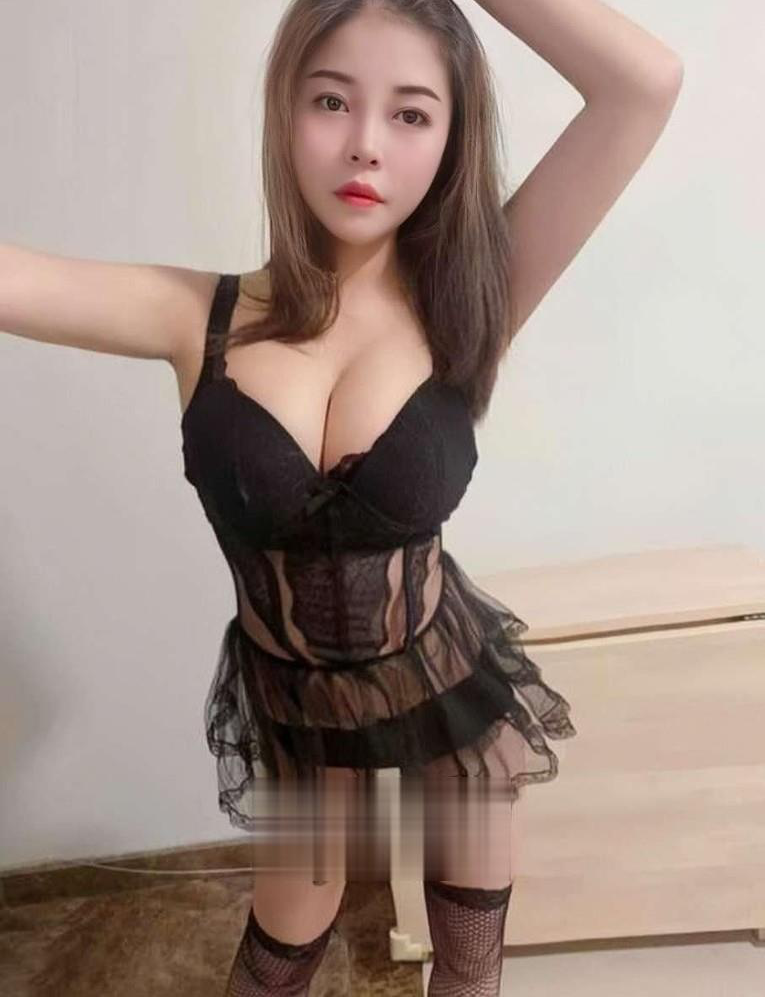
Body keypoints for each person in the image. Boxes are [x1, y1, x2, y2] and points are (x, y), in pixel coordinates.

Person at [1, 1, 683, 993]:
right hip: (298, 704)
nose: (366, 143)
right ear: (284, 111)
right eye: (331, 101)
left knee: (467, 961)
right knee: (280, 952)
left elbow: (643, 84)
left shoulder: (472, 298)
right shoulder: (195, 316)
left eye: (410, 113)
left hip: (446, 679)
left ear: (450, 139)